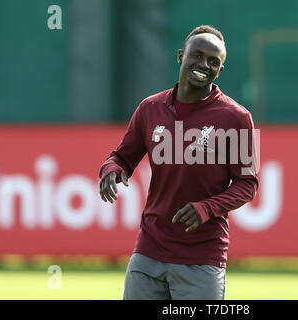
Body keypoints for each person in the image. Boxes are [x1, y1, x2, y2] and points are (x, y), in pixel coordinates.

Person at [99, 25, 259, 300]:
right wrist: (111, 170)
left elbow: (248, 184)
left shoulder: (238, 117)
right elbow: (122, 157)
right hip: (149, 251)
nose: (203, 64)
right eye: (197, 55)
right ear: (180, 56)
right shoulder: (149, 108)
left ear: (220, 70)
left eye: (213, 61)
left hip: (202, 258)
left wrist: (206, 208)